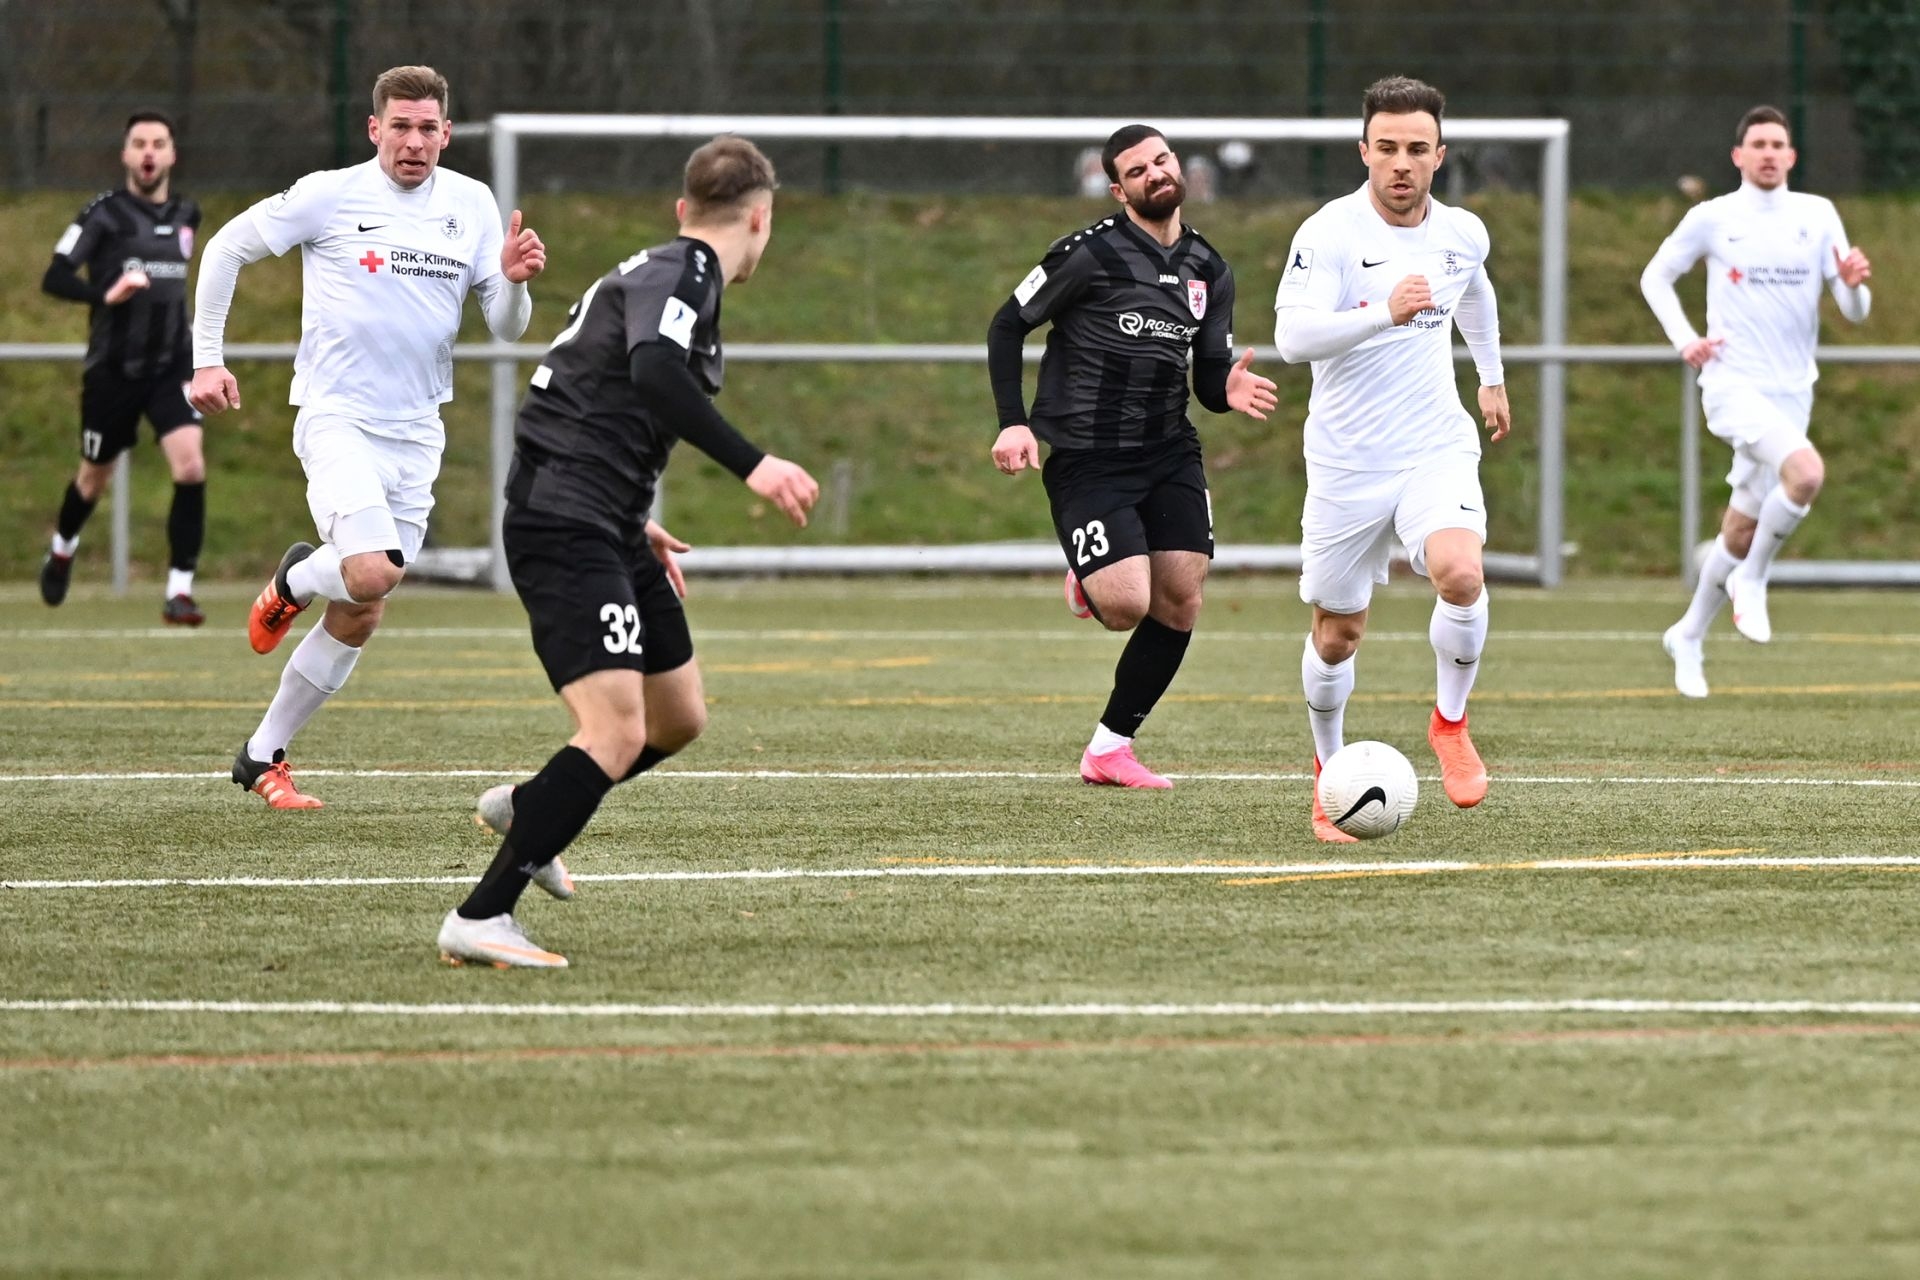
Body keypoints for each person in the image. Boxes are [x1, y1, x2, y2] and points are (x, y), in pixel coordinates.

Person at [436, 135, 818, 969]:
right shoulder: (685, 275)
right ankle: (481, 915)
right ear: (761, 218)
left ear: (685, 209)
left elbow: (589, 390)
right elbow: (653, 374)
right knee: (613, 731)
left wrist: (630, 513)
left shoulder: (662, 270)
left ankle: (532, 806)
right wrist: (755, 464)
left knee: (678, 718)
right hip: (565, 522)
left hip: (603, 516)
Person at [188, 65, 546, 809]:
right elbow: (224, 248)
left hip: (416, 431)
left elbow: (507, 329)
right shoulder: (331, 193)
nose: (414, 142)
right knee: (373, 571)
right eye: (401, 127)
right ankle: (295, 580)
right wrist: (207, 359)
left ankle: (261, 755)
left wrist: (513, 282)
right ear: (375, 129)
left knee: (362, 606)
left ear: (447, 134)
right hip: (337, 416)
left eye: (427, 128)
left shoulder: (473, 205)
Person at [987, 124, 1277, 789]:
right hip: (1088, 456)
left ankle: (1110, 749)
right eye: (1138, 170)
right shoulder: (1087, 254)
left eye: (1162, 160)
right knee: (1124, 606)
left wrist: (1226, 389)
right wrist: (1013, 423)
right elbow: (1007, 324)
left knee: (1181, 600)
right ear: (1119, 190)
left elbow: (1207, 380)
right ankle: (1094, 576)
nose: (1156, 173)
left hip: (1169, 450)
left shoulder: (1209, 268)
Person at [1271, 76, 1511, 843]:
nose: (1401, 163)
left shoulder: (1462, 232)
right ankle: (1328, 774)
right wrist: (1383, 312)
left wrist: (1491, 377)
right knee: (1338, 633)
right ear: (1364, 151)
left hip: (1434, 444)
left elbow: (1474, 291)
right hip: (1346, 464)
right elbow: (1291, 339)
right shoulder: (1330, 234)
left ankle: (1450, 723)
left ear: (1439, 155)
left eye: (1416, 148)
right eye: (1387, 148)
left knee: (1461, 574)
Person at [1643, 105, 1871, 698]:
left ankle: (1688, 633)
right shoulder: (1713, 217)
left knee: (1742, 528)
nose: (1768, 153)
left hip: (1793, 392)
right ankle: (1755, 582)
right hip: (1732, 384)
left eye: (1777, 145)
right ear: (1738, 156)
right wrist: (1685, 340)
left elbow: (1855, 310)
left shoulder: (1817, 215)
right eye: (1758, 144)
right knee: (1806, 474)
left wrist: (1853, 287)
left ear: (1791, 156)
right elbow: (1655, 277)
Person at [39, 109, 206, 624]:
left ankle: (179, 591)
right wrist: (104, 295)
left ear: (172, 154)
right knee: (93, 479)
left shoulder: (188, 214)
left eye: (158, 143)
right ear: (126, 154)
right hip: (113, 370)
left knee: (190, 465)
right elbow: (54, 276)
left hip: (171, 366)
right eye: (139, 143)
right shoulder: (103, 214)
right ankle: (63, 547)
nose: (149, 152)